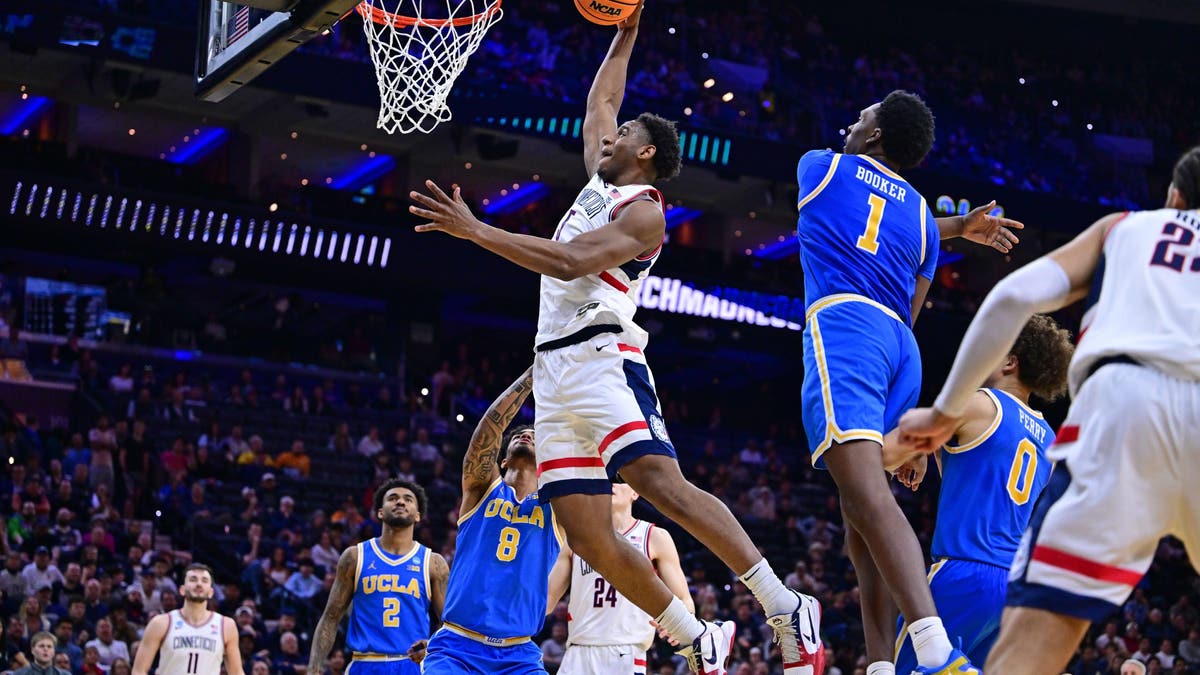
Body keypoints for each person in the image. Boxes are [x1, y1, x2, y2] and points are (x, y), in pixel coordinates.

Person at [410, 5, 810, 672]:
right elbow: (602, 96)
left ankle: (780, 600)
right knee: (591, 535)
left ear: (645, 152)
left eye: (624, 132)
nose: (611, 132)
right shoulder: (600, 180)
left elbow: (569, 262)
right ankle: (694, 634)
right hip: (555, 372)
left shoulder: (645, 211)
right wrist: (626, 31)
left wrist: (477, 230)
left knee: (659, 481)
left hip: (603, 356)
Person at [897, 146, 1200, 675]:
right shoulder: (1040, 429)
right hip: (1008, 566)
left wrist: (939, 416)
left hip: (1119, 405)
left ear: (1175, 198)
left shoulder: (1125, 228)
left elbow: (1015, 296)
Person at [793, 89, 1023, 675]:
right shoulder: (922, 218)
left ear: (873, 136)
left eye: (864, 114)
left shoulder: (820, 167)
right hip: (901, 346)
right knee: (860, 511)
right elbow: (912, 308)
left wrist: (956, 227)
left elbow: (860, 204)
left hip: (848, 326)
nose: (854, 115)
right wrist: (956, 226)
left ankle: (934, 648)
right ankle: (878, 661)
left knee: (867, 498)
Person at [884, 315, 1073, 673]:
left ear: (1009, 361)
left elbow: (883, 454)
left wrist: (905, 446)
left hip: (962, 570)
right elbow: (970, 473)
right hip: (1010, 585)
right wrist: (928, 450)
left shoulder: (979, 403)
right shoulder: (1049, 438)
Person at [420, 368, 561, 674]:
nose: (527, 435)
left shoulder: (558, 508)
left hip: (519, 655)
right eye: (521, 436)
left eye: (536, 438)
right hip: (457, 647)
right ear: (503, 459)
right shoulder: (482, 488)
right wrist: (532, 377)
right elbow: (486, 434)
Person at [548, 483, 693, 675]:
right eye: (605, 478)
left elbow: (684, 599)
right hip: (577, 652)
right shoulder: (576, 538)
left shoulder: (654, 536)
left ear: (635, 492)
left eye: (618, 478)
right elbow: (547, 600)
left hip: (626, 651)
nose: (611, 484)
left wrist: (678, 625)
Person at [308, 478, 447, 675]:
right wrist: (313, 668)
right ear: (380, 512)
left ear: (418, 516)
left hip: (412, 665)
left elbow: (449, 624)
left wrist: (432, 646)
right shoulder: (355, 557)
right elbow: (331, 617)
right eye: (393, 498)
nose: (400, 502)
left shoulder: (433, 563)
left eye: (408, 499)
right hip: (365, 663)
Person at [132, 563, 242, 675]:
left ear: (210, 592)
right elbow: (139, 670)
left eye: (204, 580)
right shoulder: (161, 623)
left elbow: (237, 672)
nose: (199, 584)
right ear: (182, 590)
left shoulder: (226, 625)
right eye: (193, 579)